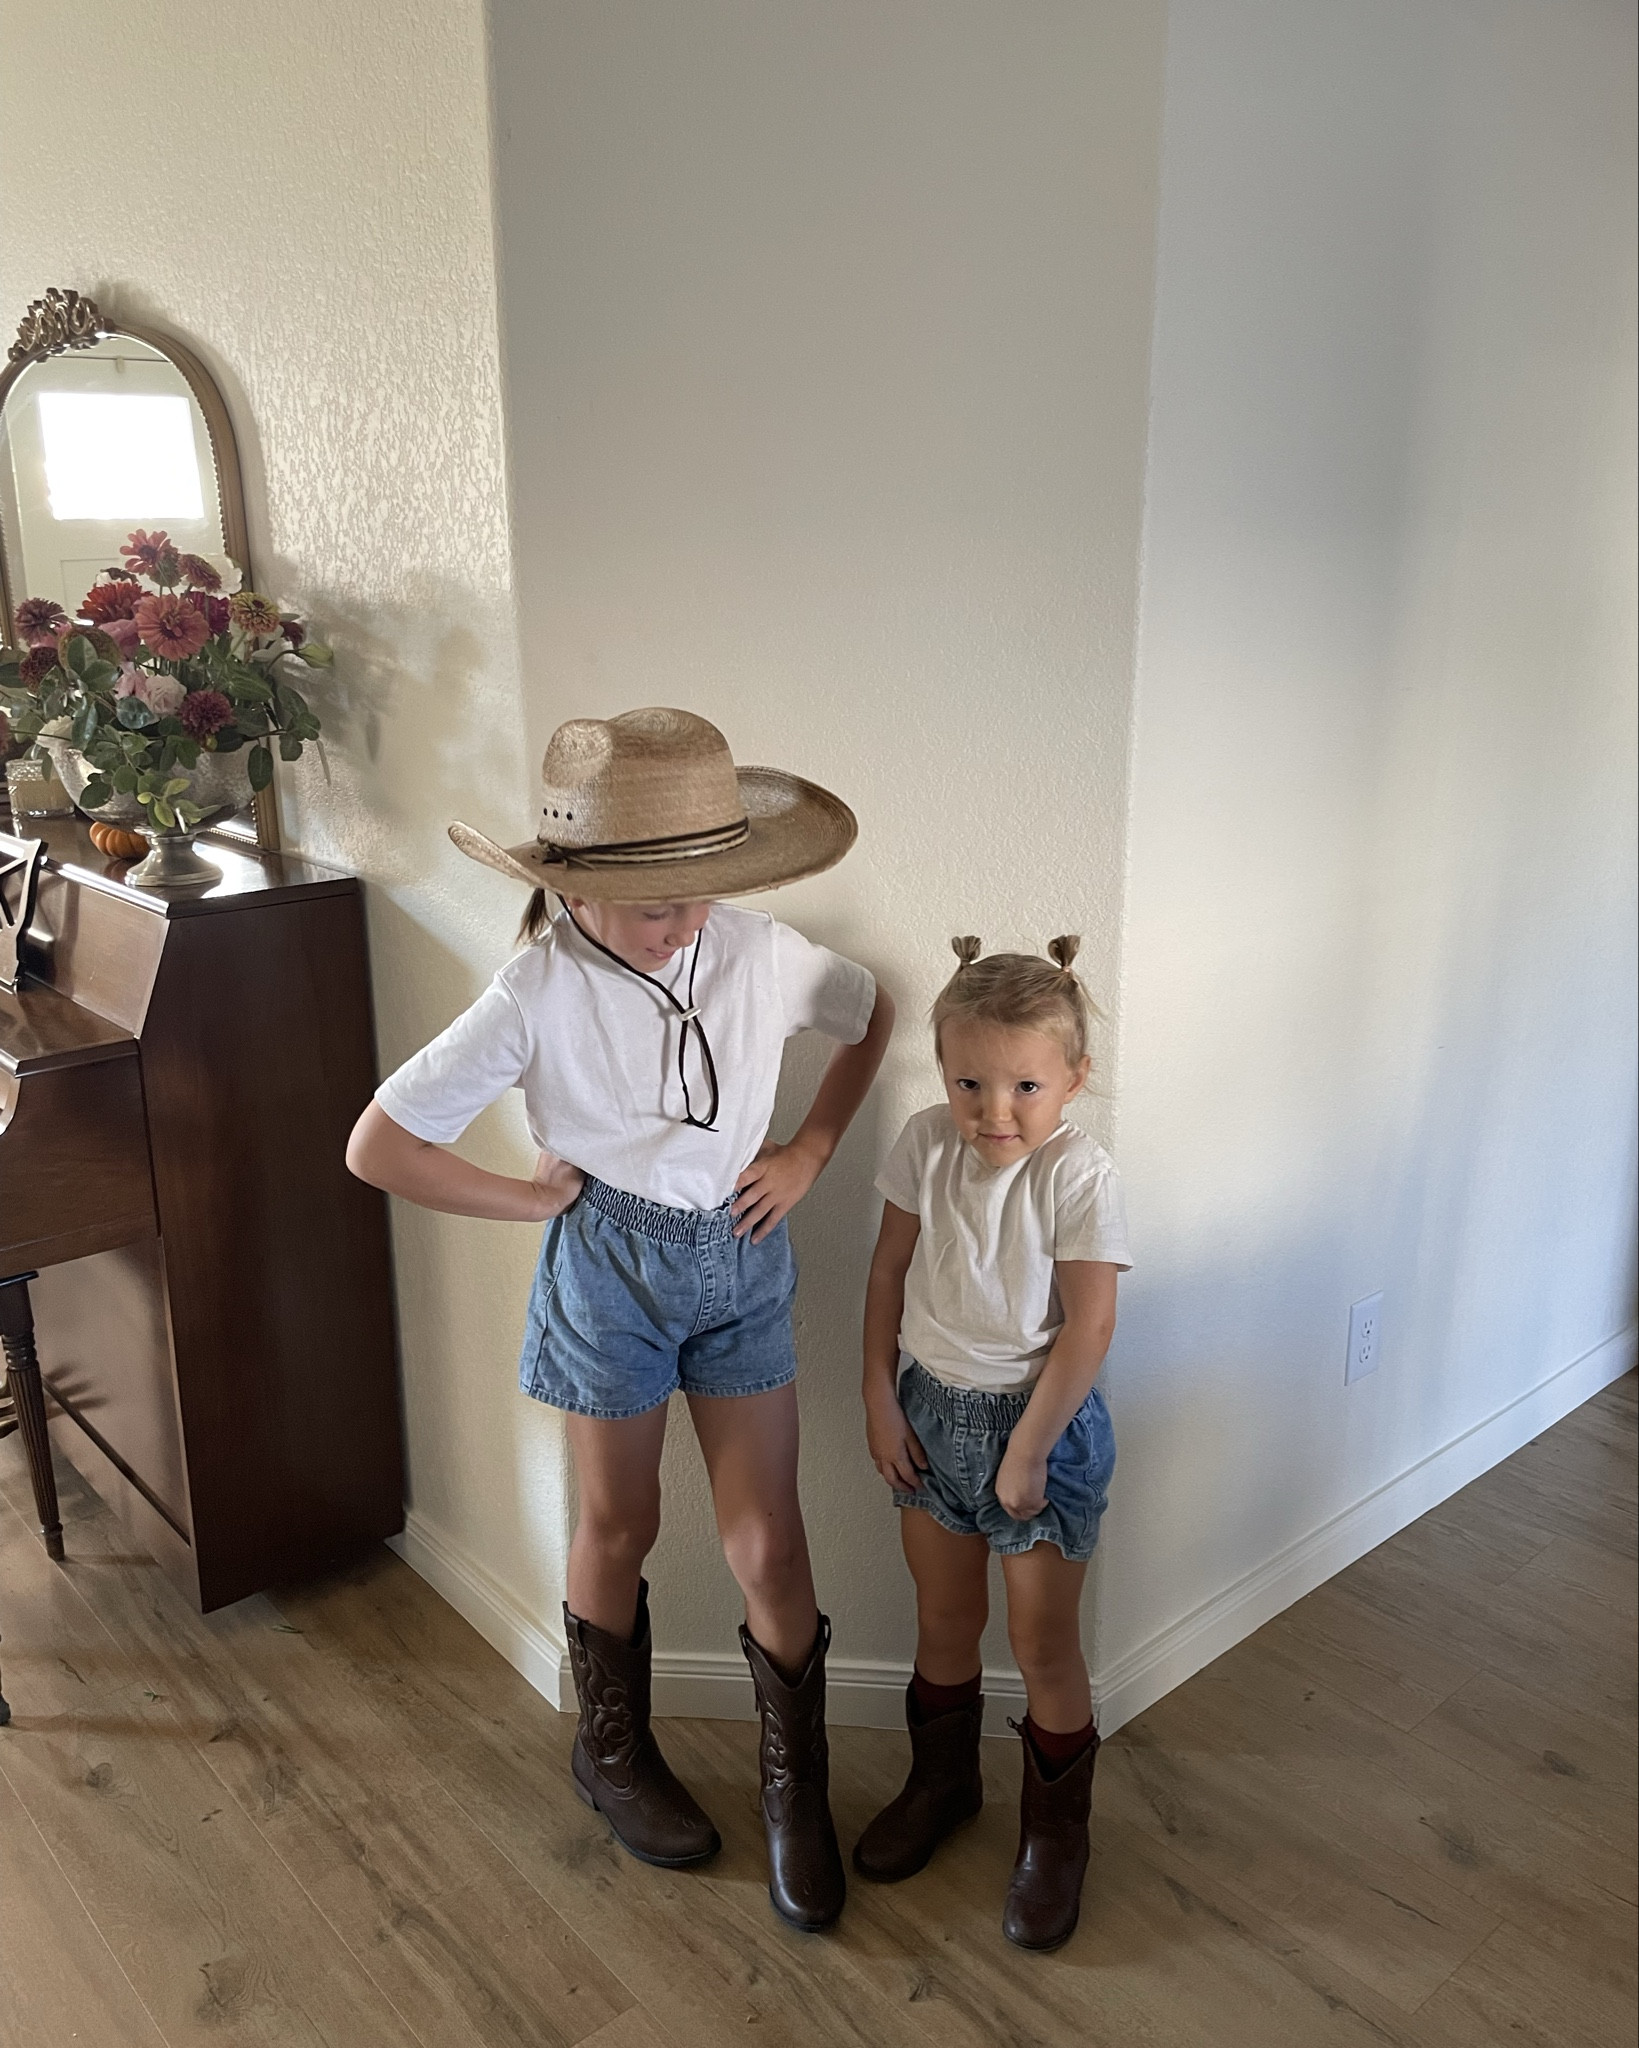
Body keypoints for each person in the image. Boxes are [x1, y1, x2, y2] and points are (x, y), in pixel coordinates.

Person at [346, 707, 893, 1933]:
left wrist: (809, 1146)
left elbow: (873, 1014)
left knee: (769, 1540)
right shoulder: (534, 991)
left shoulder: (756, 948)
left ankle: (792, 1784)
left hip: (744, 1259)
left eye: (701, 891)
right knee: (619, 1516)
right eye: (658, 902)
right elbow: (379, 1143)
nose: (686, 919)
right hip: (608, 1272)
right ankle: (610, 1751)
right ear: (576, 887)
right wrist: (527, 1195)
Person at [855, 934, 1129, 1950]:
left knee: (1041, 1641)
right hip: (929, 1412)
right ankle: (943, 1782)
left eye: (1023, 1083)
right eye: (969, 1079)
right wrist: (879, 1396)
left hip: (1040, 1430)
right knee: (941, 1618)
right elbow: (886, 1271)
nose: (992, 1109)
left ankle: (1055, 1837)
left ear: (1073, 1077)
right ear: (941, 1070)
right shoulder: (925, 1143)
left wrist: (1027, 1451)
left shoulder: (1077, 1173)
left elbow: (1089, 1324)